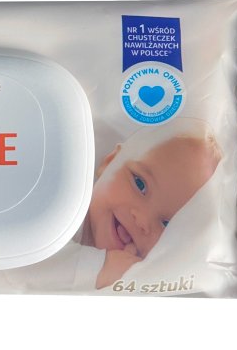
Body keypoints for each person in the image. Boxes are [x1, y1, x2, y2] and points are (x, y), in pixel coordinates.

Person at [82, 118, 222, 288]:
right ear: (110, 161)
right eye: (140, 184)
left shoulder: (148, 281)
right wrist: (94, 270)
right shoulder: (63, 203)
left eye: (167, 224)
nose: (142, 220)